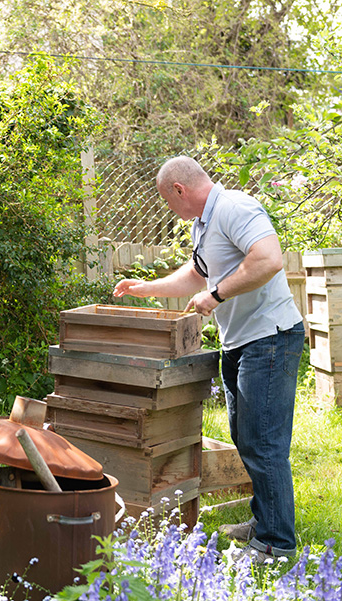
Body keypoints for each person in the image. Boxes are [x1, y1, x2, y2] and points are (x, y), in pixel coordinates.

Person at [113, 156, 305, 561]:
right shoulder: (204, 224)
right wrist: (145, 288)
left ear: (179, 190)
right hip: (241, 342)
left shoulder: (235, 208)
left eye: (168, 201)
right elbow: (198, 277)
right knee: (245, 437)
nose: (171, 210)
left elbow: (269, 259)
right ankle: (265, 520)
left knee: (263, 443)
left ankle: (276, 544)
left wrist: (216, 297)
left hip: (269, 339)